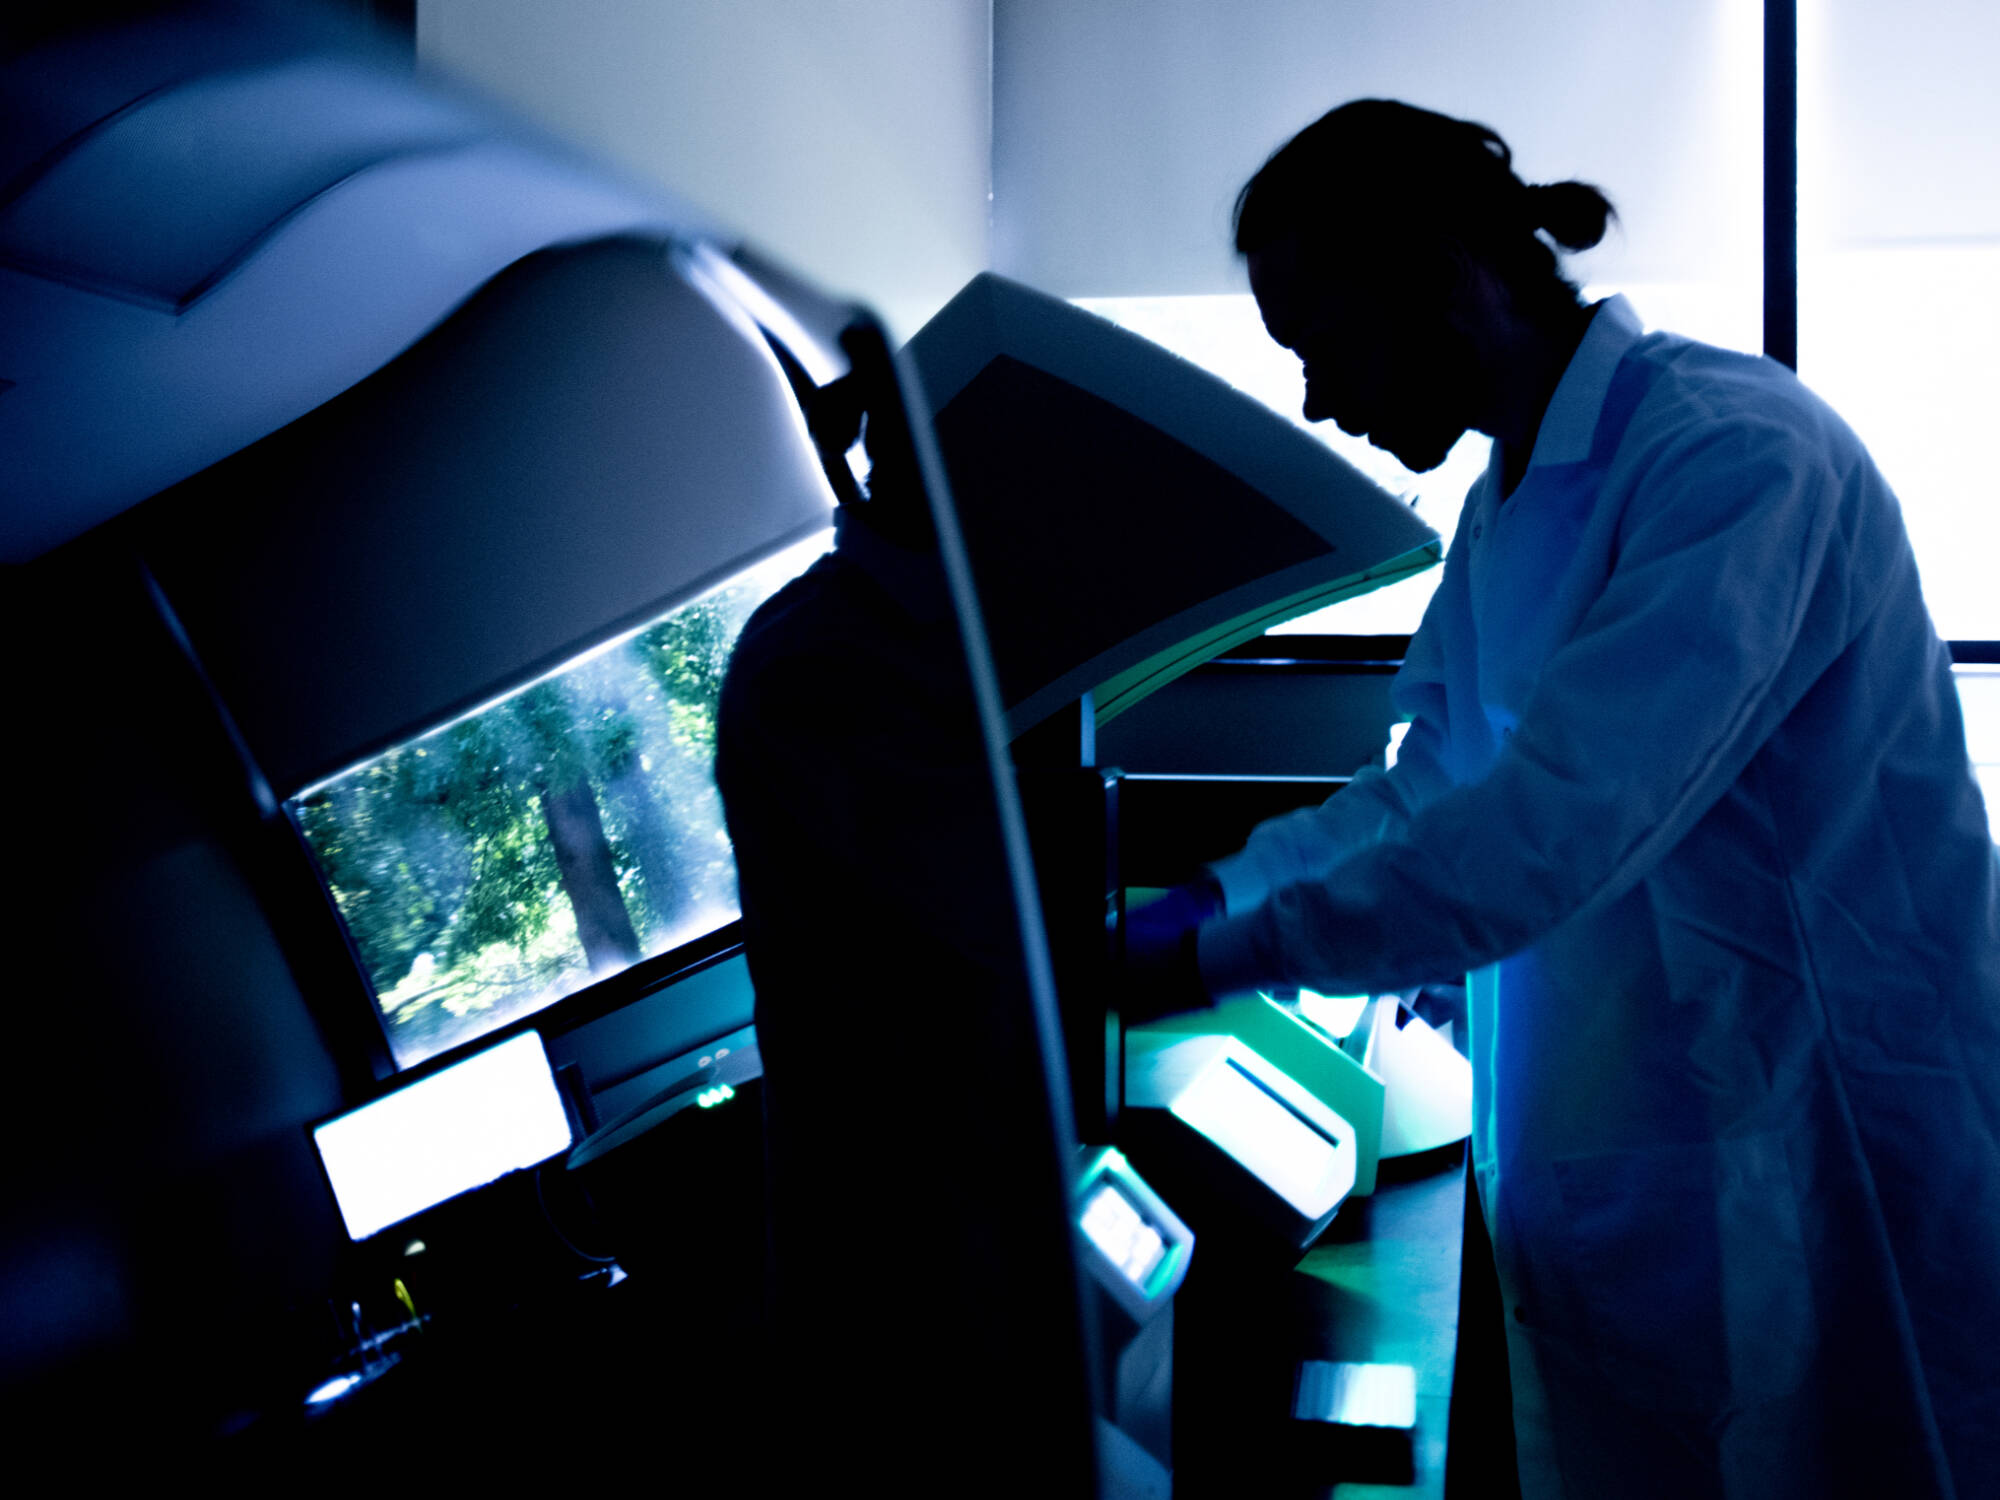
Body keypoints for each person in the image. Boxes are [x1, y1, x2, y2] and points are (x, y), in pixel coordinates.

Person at [1142, 99, 2000, 1498]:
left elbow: (1550, 826)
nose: (1316, 403)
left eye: (1321, 347)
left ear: (1441, 276)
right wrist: (1214, 897)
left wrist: (1211, 952)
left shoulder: (1734, 456)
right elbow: (1428, 789)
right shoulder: (1507, 502)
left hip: (1827, 1152)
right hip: (1644, 1162)